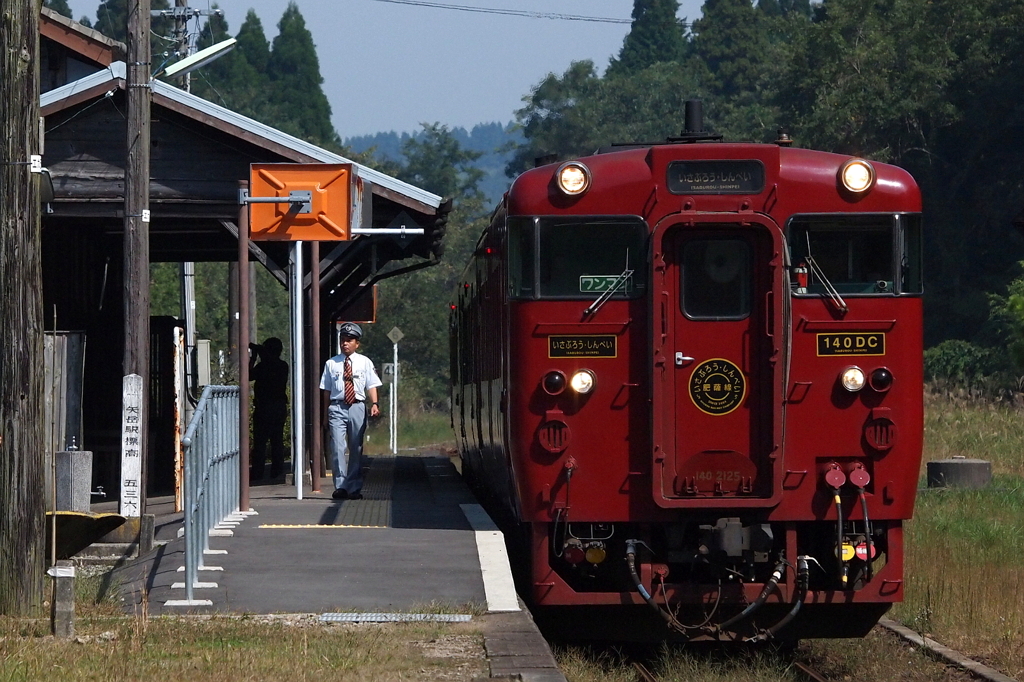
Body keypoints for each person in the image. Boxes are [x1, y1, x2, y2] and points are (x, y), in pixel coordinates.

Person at [320, 322, 381, 500]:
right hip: (337, 406)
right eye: (343, 340)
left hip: (357, 406)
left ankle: (354, 487)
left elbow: (371, 384)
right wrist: (325, 414)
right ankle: (340, 486)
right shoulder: (331, 363)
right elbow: (326, 390)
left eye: (349, 340)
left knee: (356, 446)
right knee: (338, 446)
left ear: (357, 343)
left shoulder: (364, 362)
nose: (345, 343)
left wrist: (375, 403)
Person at [249, 337, 289, 480]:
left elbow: (248, 375)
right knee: (276, 440)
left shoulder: (265, 366)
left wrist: (254, 357)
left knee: (260, 442)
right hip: (278, 407)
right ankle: (276, 472)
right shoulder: (283, 365)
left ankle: (258, 473)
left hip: (265, 406)